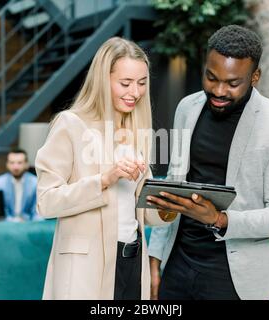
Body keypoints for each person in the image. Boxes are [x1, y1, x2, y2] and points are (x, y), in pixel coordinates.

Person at [147, 25, 269, 300]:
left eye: (233, 83)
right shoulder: (186, 108)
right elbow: (174, 184)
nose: (218, 91)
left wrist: (220, 219)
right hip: (177, 265)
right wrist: (155, 261)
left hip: (236, 278)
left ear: (255, 76)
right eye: (211, 77)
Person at [35, 37, 174, 300]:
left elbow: (142, 212)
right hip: (85, 269)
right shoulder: (70, 125)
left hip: (133, 260)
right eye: (125, 83)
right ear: (102, 80)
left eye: (142, 83)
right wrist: (104, 179)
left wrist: (169, 205)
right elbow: (46, 202)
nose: (135, 92)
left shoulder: (136, 131)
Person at [0, 148, 40, 222]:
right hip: (6, 225)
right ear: (7, 164)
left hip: (29, 224)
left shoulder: (35, 183)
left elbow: (37, 211)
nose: (15, 167)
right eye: (12, 163)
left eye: (19, 163)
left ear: (26, 164)